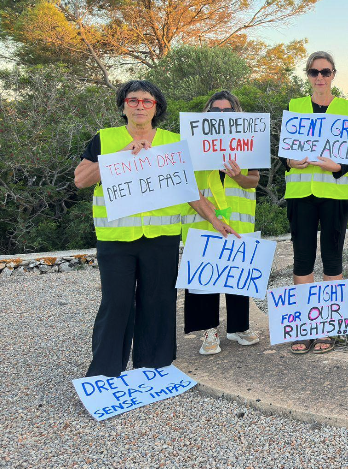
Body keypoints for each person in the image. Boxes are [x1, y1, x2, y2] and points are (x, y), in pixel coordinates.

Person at [74, 80, 238, 378]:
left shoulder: (173, 141)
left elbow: (189, 190)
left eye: (146, 101)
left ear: (156, 107)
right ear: (123, 105)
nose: (139, 106)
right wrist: (121, 155)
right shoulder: (105, 139)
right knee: (117, 303)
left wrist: (215, 219)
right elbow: (81, 180)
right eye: (132, 100)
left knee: (159, 302)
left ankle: (154, 368)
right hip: (116, 239)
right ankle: (105, 373)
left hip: (161, 239)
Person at [284, 51, 348, 356]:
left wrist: (338, 167)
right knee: (302, 260)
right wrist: (290, 160)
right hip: (301, 196)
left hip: (335, 195)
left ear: (333, 75)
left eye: (325, 72)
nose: (320, 77)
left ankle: (328, 327)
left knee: (332, 259)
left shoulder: (347, 108)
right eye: (314, 72)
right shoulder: (294, 107)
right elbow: (284, 153)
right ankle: (305, 326)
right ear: (307, 75)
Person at [182, 91, 261, 355]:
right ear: (207, 114)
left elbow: (254, 181)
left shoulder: (248, 142)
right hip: (203, 221)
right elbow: (186, 182)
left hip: (239, 221)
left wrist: (239, 176)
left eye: (228, 111)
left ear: (236, 115)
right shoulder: (191, 142)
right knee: (205, 279)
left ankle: (239, 327)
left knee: (237, 275)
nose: (222, 116)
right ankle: (208, 331)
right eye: (216, 111)